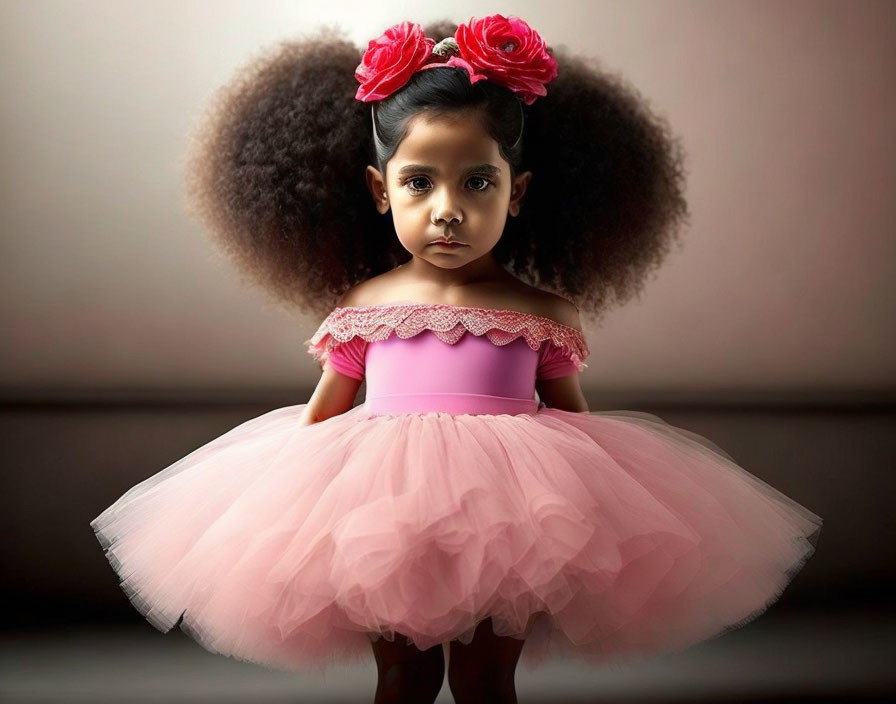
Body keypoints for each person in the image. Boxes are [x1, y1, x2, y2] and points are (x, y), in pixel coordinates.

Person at [91, 14, 823, 704]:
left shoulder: (541, 312)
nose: (448, 208)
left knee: (483, 683)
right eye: (419, 182)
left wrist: (595, 507)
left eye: (478, 182)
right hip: (376, 509)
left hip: (510, 514)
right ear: (380, 191)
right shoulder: (367, 303)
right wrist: (275, 505)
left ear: (519, 192)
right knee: (403, 681)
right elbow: (326, 410)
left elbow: (576, 426)